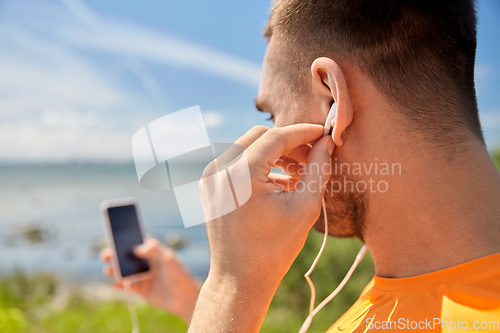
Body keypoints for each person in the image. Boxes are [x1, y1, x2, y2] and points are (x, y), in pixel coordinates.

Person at [103, 0, 500, 331]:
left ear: (331, 102)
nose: (272, 140)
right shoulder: (421, 292)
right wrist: (194, 302)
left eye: (273, 116)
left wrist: (228, 285)